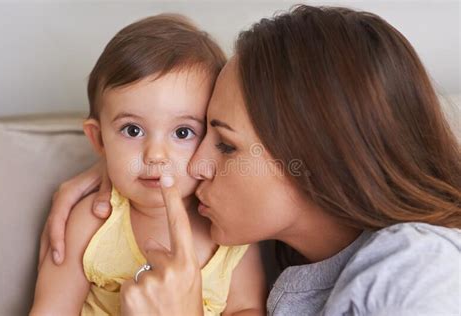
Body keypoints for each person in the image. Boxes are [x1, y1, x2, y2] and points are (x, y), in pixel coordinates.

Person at [38, 4, 461, 315]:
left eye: (224, 144)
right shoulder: (292, 272)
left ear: (315, 155)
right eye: (200, 133)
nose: (195, 166)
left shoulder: (421, 270)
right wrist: (119, 162)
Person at [30, 13, 266, 316]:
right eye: (133, 130)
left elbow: (248, 308)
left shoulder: (229, 231)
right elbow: (51, 310)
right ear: (99, 139)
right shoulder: (89, 223)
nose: (155, 154)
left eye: (183, 132)